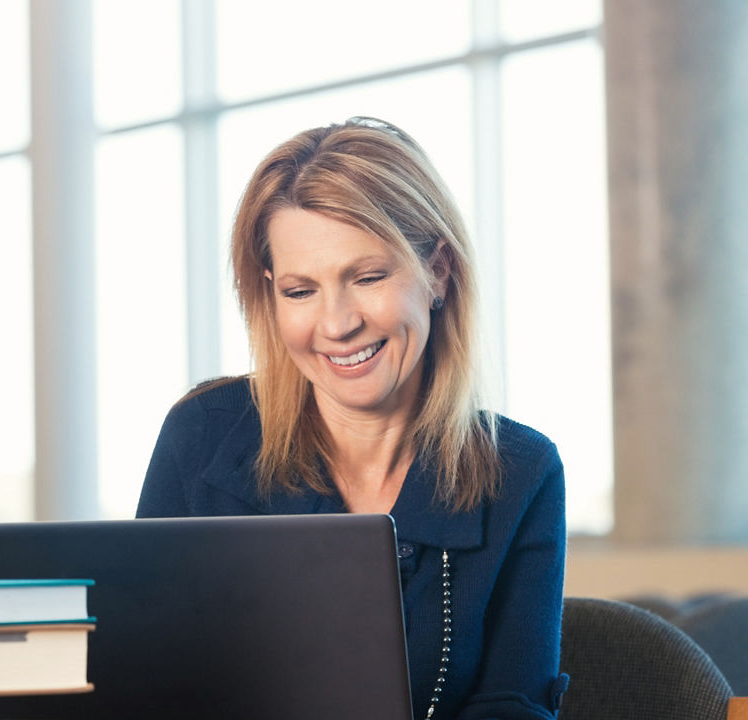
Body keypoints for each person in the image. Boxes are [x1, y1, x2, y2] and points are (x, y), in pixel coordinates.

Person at [137, 117, 569, 720]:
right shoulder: (204, 435)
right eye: (299, 291)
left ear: (437, 272)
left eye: (367, 277)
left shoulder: (520, 471)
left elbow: (513, 705)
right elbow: (142, 685)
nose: (336, 324)